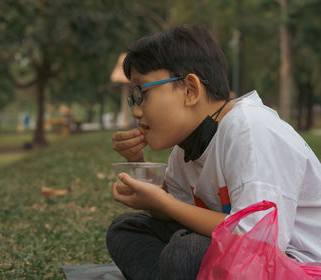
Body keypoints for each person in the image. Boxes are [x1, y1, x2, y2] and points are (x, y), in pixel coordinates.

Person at [106, 25, 321, 280]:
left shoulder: (250, 130)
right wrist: (140, 171)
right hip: (247, 254)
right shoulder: (187, 146)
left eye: (142, 93)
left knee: (186, 253)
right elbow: (179, 214)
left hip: (296, 264)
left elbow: (256, 241)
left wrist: (166, 202)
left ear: (190, 89)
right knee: (127, 229)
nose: (137, 111)